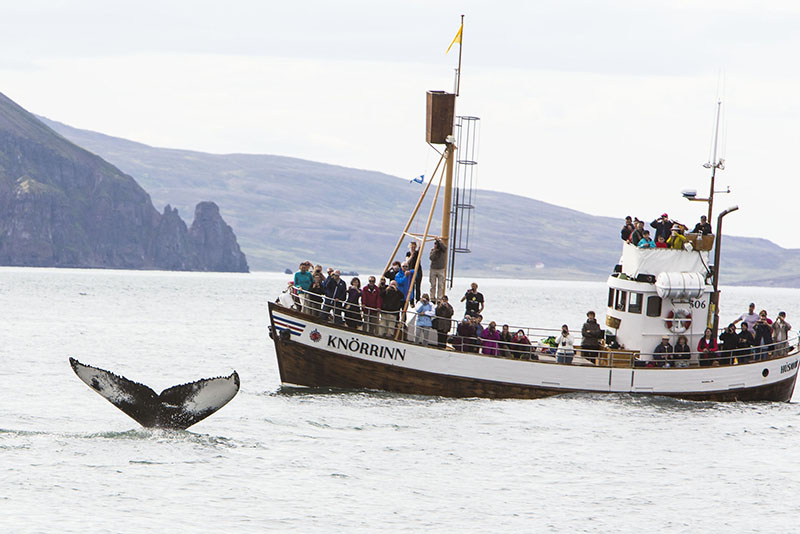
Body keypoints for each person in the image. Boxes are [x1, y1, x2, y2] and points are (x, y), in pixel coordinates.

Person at [429, 238, 447, 303]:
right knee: (433, 284)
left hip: (441, 269)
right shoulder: (433, 251)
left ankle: (439, 298)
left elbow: (445, 247)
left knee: (440, 285)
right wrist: (435, 250)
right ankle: (432, 298)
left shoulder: (443, 250)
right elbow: (431, 258)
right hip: (433, 269)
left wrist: (439, 241)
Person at [405, 241, 423, 306]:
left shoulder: (417, 253)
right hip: (411, 271)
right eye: (411, 246)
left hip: (418, 270)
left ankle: (418, 300)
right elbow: (407, 261)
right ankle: (411, 301)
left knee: (418, 286)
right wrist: (411, 256)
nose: (412, 247)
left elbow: (420, 248)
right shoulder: (408, 253)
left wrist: (419, 242)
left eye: (414, 246)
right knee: (411, 286)